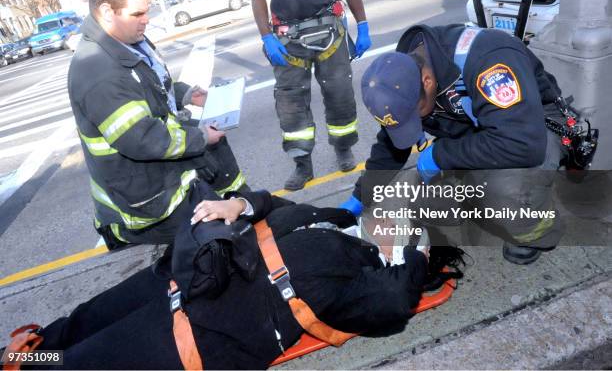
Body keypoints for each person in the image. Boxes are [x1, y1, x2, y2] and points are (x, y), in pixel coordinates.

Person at [14, 188, 464, 370]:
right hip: (188, 278)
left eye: (401, 221)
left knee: (80, 364)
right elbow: (275, 205)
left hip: (195, 336)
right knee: (82, 322)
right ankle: (19, 358)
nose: (386, 214)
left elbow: (394, 301)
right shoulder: (337, 221)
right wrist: (240, 206)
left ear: (406, 245)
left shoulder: (361, 275)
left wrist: (415, 258)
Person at [341, 24, 567, 265]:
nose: (414, 122)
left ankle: (537, 231)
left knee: (503, 191)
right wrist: (358, 198)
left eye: (414, 115)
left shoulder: (489, 62)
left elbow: (521, 144)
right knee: (423, 203)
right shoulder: (403, 80)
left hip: (531, 127)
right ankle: (481, 197)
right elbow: (389, 148)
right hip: (474, 133)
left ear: (427, 81)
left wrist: (440, 154)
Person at [68, 0, 247, 249]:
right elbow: (143, 138)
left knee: (233, 216)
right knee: (221, 243)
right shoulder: (97, 71)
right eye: (137, 14)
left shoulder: (128, 41)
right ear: (106, 11)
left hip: (167, 175)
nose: (146, 20)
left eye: (146, 11)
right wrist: (200, 137)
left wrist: (186, 93)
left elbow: (153, 87)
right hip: (148, 202)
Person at [249, 0, 373, 191]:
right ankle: (302, 165)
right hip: (288, 39)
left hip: (330, 33)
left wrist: (363, 24)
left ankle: (343, 148)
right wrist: (266, 37)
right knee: (291, 105)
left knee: (340, 97)